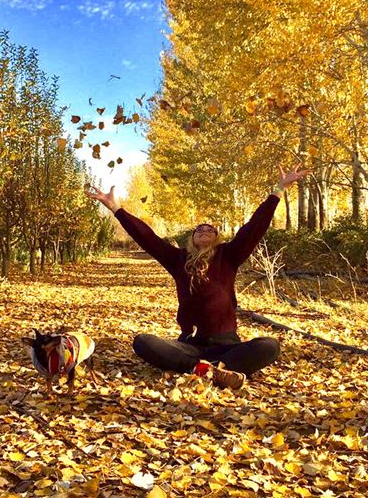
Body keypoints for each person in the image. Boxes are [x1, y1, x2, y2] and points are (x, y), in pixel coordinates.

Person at [86, 164, 309, 390]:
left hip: (227, 344)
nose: (204, 231)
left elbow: (254, 228)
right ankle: (210, 370)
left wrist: (278, 190)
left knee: (270, 346)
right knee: (143, 342)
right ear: (192, 239)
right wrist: (115, 207)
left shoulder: (229, 255)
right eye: (198, 230)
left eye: (209, 230)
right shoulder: (178, 259)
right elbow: (147, 238)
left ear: (216, 238)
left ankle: (205, 368)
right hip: (190, 345)